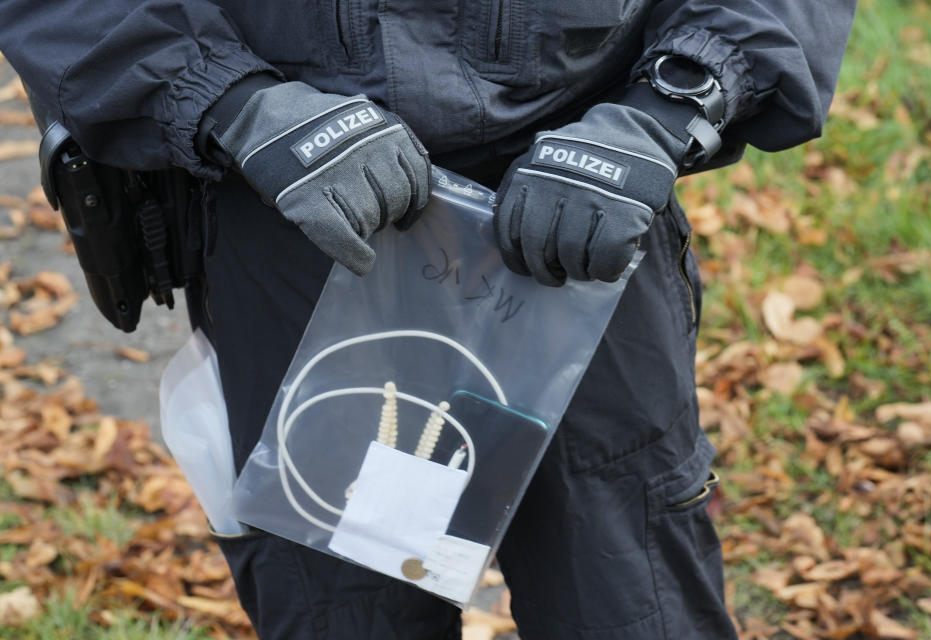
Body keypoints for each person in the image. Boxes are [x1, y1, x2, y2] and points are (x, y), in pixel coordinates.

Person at [0, 2, 855, 638]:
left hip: (577, 212)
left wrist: (669, 106)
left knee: (630, 598)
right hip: (296, 207)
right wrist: (230, 101)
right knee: (347, 612)